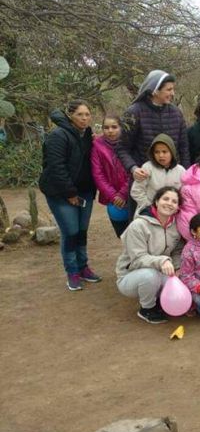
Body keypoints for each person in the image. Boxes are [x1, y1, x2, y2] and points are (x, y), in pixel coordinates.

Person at [39, 100, 99, 291]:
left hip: (85, 192)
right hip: (61, 193)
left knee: (82, 231)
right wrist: (70, 193)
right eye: (80, 114)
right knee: (71, 232)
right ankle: (72, 271)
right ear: (70, 115)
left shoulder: (86, 135)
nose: (84, 118)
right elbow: (56, 166)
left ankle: (83, 267)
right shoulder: (58, 135)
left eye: (87, 114)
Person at [115, 187, 183, 323]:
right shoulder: (138, 225)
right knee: (149, 276)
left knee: (180, 282)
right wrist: (162, 261)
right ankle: (147, 309)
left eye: (174, 201)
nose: (169, 203)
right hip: (130, 275)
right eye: (165, 199)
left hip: (160, 270)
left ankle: (158, 300)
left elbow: (177, 250)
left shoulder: (176, 226)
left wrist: (177, 267)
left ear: (177, 207)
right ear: (156, 201)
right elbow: (138, 258)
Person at [117, 70, 190, 186]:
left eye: (173, 89)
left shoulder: (176, 113)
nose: (173, 93)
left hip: (172, 182)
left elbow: (184, 148)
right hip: (144, 180)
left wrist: (186, 176)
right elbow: (122, 148)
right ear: (155, 90)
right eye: (169, 89)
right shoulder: (134, 113)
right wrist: (133, 168)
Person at [91, 113, 130, 237]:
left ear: (121, 127)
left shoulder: (130, 143)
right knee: (122, 235)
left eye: (114, 127)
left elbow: (134, 169)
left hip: (132, 194)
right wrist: (114, 196)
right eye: (106, 128)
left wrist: (124, 193)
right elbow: (98, 174)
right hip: (112, 198)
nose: (110, 131)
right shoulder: (97, 146)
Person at [130, 134, 185, 216]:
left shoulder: (181, 171)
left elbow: (184, 194)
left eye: (164, 152)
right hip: (149, 213)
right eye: (157, 152)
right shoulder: (147, 168)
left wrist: (175, 208)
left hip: (172, 214)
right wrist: (150, 207)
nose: (161, 155)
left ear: (172, 152)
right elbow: (136, 191)